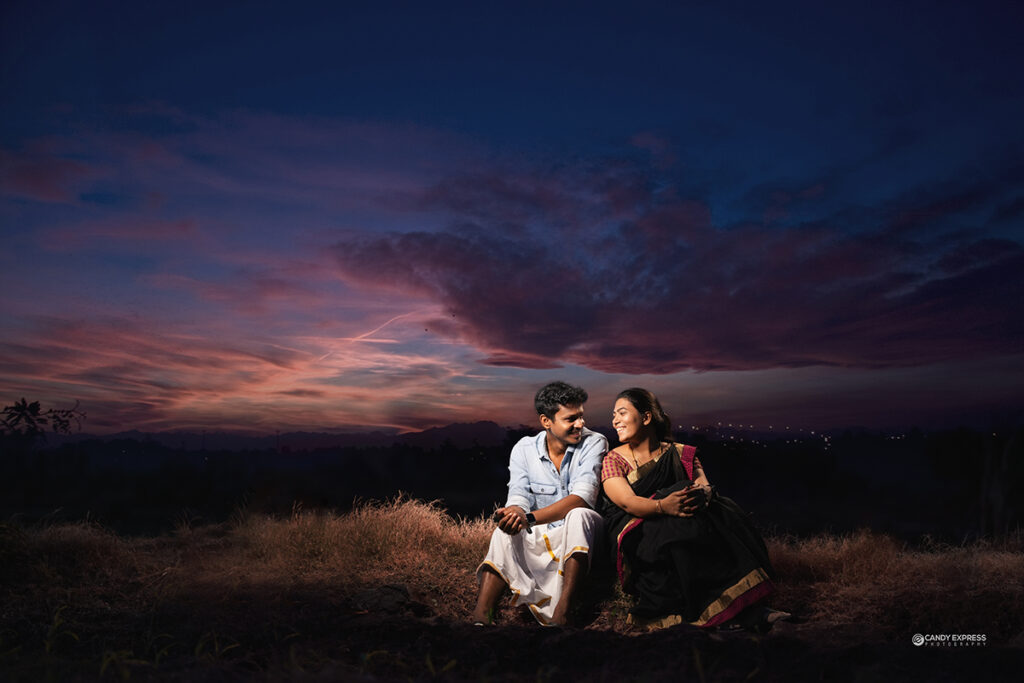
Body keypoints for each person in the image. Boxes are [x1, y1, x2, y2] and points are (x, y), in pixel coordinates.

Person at [600, 388, 782, 631]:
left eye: (622, 413)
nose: (614, 421)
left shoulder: (681, 453)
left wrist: (701, 496)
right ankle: (731, 613)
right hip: (636, 526)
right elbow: (626, 502)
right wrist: (663, 505)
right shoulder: (614, 459)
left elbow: (704, 486)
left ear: (646, 418)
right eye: (614, 415)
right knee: (677, 523)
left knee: (720, 510)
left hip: (685, 519)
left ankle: (740, 608)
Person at [471, 381, 608, 627]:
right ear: (547, 421)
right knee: (505, 529)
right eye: (571, 419)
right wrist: (512, 513)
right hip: (545, 533)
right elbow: (519, 495)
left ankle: (563, 613)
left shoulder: (595, 442)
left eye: (581, 416)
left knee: (579, 515)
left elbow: (582, 497)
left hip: (584, 536)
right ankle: (482, 618)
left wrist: (529, 518)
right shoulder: (524, 449)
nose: (580, 424)